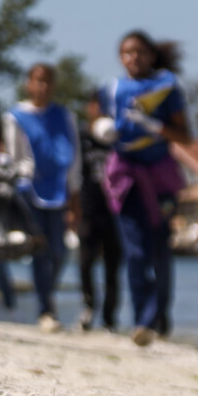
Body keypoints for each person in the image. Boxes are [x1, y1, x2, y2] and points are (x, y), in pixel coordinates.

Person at [91, 31, 189, 347]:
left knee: (160, 250)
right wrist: (101, 128)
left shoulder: (167, 88)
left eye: (140, 52)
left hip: (160, 180)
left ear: (151, 56)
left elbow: (185, 135)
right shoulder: (110, 89)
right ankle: (142, 320)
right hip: (125, 179)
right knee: (134, 252)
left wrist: (156, 127)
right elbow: (95, 117)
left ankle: (159, 316)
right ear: (120, 57)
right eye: (127, 52)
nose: (134, 58)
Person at [2, 64, 82, 332]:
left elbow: (75, 158)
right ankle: (46, 309)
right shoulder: (15, 116)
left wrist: (75, 197)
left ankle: (46, 295)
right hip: (29, 192)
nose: (43, 86)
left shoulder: (65, 116)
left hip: (59, 191)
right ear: (29, 83)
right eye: (38, 80)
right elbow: (14, 159)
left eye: (48, 81)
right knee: (39, 250)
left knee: (59, 251)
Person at [76, 114, 120, 330]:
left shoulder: (119, 142)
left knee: (112, 267)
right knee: (85, 262)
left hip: (114, 213)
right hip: (88, 212)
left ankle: (109, 318)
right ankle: (88, 306)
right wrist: (72, 208)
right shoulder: (81, 139)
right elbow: (72, 174)